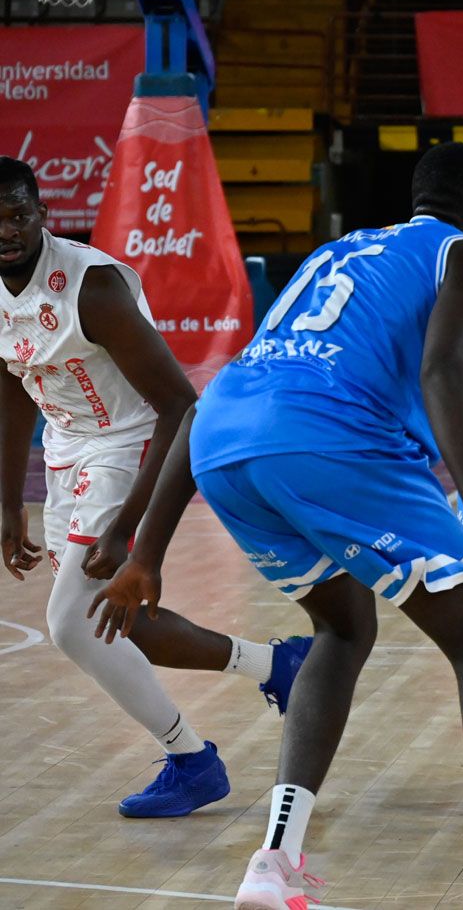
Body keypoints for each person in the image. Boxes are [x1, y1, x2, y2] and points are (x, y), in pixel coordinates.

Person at [90, 143, 463, 910]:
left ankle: (273, 863)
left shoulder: (337, 251)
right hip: (331, 437)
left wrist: (148, 554)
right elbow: (444, 372)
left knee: (343, 629)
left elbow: (218, 394)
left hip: (226, 443)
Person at [0, 156, 308, 820]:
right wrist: (7, 504)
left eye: (18, 214)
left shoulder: (92, 289)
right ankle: (277, 666)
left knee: (71, 622)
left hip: (130, 439)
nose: (7, 229)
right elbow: (11, 386)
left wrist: (126, 532)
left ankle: (192, 760)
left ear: (41, 214)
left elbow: (180, 407)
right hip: (65, 446)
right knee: (118, 621)